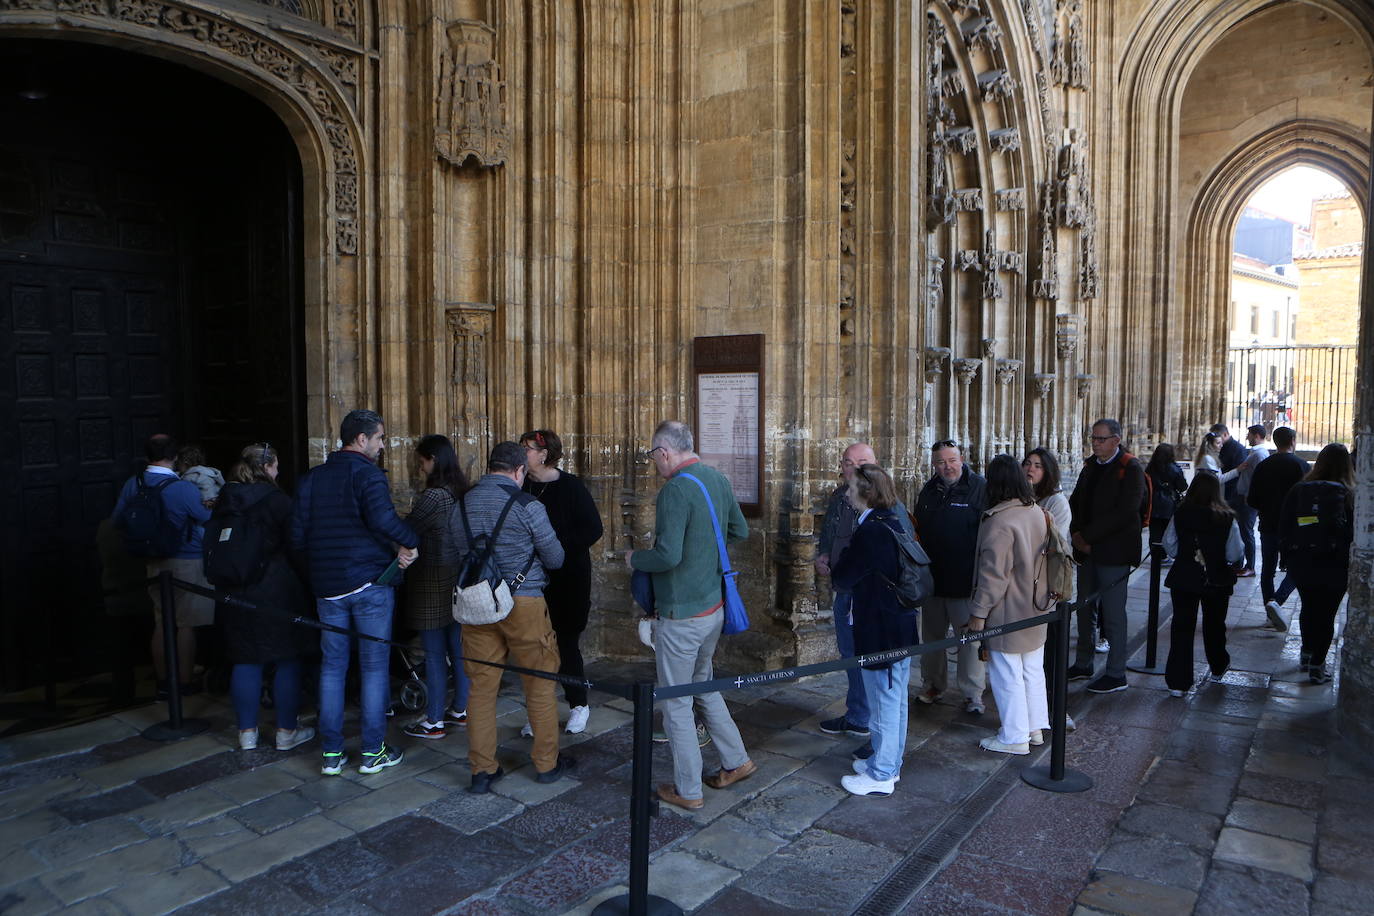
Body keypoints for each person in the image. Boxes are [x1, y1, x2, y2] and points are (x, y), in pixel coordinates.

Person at [627, 421, 755, 811]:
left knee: (676, 703)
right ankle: (736, 761)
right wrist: (704, 552)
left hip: (681, 615)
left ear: (664, 452)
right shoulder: (716, 478)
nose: (654, 464)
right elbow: (740, 530)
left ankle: (688, 790)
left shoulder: (676, 490)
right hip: (712, 608)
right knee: (704, 685)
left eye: (653, 456)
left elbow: (667, 556)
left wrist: (635, 558)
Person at [291, 409, 420, 776]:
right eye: (379, 437)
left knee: (332, 669)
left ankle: (331, 754)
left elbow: (297, 538)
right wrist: (411, 542)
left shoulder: (312, 479)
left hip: (327, 587)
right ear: (361, 439)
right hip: (368, 584)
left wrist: (318, 574)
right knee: (374, 668)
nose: (383, 445)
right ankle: (372, 751)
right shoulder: (367, 474)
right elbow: (382, 520)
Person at [449, 441, 571, 793]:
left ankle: (483, 770)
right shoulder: (527, 504)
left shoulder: (461, 505)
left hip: (477, 606)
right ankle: (546, 764)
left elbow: (451, 556)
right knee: (539, 684)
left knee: (481, 689)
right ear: (519, 471)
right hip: (525, 602)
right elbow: (556, 558)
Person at [213, 443, 315, 751]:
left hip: (233, 590)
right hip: (274, 589)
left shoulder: (225, 499)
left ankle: (247, 734)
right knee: (285, 658)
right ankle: (286, 732)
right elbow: (296, 544)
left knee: (245, 660)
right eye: (276, 466)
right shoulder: (277, 501)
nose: (279, 471)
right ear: (268, 467)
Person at [815, 442, 913, 743]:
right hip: (847, 592)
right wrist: (823, 554)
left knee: (875, 669)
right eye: (847, 462)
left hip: (871, 601)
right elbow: (831, 531)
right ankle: (858, 715)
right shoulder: (839, 496)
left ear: (875, 466)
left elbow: (901, 552)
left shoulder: (888, 508)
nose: (853, 469)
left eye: (861, 462)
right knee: (850, 655)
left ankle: (876, 740)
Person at [831, 464, 916, 796]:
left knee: (884, 704)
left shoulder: (872, 530)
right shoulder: (889, 522)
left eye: (852, 488)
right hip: (896, 626)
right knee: (894, 702)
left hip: (882, 630)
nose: (848, 492)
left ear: (866, 492)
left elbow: (844, 576)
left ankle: (882, 773)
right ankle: (888, 762)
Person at [112, 433, 213, 697]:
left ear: (147, 456)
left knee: (161, 622)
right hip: (186, 560)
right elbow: (205, 517)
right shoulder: (183, 488)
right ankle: (184, 682)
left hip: (152, 562)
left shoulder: (133, 484)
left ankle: (162, 681)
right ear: (176, 457)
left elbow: (118, 521)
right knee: (186, 624)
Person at [519, 429, 604, 736]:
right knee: (535, 646)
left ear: (544, 454)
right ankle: (539, 711)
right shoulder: (522, 484)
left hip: (568, 578)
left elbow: (593, 529)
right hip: (532, 579)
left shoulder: (570, 487)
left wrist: (554, 545)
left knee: (566, 644)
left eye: (527, 448)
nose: (523, 453)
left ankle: (578, 705)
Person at [966, 455, 1051, 755]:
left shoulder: (1000, 521)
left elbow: (993, 575)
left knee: (1007, 673)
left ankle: (1014, 736)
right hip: (1036, 605)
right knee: (1032, 669)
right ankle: (1034, 728)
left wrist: (978, 613)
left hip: (1009, 610)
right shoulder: (1035, 512)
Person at [401, 435, 471, 741]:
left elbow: (407, 530)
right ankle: (460, 709)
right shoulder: (461, 491)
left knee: (433, 653)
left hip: (432, 581)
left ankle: (433, 721)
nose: (420, 468)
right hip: (457, 578)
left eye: (422, 461)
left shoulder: (434, 496)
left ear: (433, 459)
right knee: (458, 650)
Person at [1067, 418, 1146, 694]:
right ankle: (1083, 662)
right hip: (1086, 550)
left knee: (1113, 614)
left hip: (1114, 553)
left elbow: (1126, 512)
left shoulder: (1130, 467)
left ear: (1116, 439)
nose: (1096, 444)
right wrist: (1076, 533)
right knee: (1084, 607)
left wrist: (1088, 539)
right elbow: (1075, 501)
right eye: (1093, 439)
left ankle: (1116, 673)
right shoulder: (1090, 466)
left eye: (1101, 439)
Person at [913, 440, 988, 713]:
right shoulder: (929, 490)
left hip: (965, 581)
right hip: (932, 581)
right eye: (941, 462)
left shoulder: (980, 488)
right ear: (934, 465)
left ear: (962, 458)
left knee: (969, 641)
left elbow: (988, 536)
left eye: (952, 460)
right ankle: (933, 685)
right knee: (932, 639)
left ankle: (972, 694)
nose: (947, 467)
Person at [1162, 472, 1243, 697]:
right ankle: (1218, 666)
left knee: (1182, 627)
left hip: (1185, 576)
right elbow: (1234, 552)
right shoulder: (1227, 517)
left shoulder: (1181, 513)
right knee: (1215, 624)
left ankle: (1178, 682)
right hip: (1216, 578)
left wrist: (1186, 556)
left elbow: (1170, 544)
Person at [1280, 444, 1355, 684]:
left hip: (1303, 561)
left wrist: (1287, 556)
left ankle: (1306, 652)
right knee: (1327, 614)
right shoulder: (1351, 493)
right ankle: (1317, 665)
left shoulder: (1300, 490)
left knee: (1309, 607)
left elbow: (1286, 524)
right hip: (1335, 563)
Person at [1023, 447, 1077, 733]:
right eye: (1028, 464)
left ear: (1048, 471)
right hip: (1026, 589)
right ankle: (1033, 710)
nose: (1031, 469)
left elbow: (1048, 542)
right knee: (1032, 654)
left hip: (1050, 589)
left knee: (1053, 654)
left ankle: (1058, 710)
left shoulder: (1056, 502)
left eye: (1038, 466)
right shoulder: (1023, 499)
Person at [1247, 426, 1309, 631]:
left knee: (1267, 569)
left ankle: (1269, 610)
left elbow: (1252, 499)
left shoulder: (1264, 466)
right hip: (1294, 527)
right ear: (1292, 440)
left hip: (1269, 524)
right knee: (1298, 568)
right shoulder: (1302, 466)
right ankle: (1278, 600)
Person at [1212, 422, 1255, 575]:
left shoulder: (1237, 449)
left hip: (1234, 494)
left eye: (1219, 440)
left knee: (1242, 531)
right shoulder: (1221, 449)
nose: (1218, 444)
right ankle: (1236, 561)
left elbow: (1239, 473)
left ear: (1224, 435)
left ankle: (1245, 563)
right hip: (1227, 494)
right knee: (1232, 529)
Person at [1228, 425, 1271, 577]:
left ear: (1257, 435)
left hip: (1247, 500)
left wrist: (1250, 495)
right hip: (1242, 497)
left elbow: (1260, 479)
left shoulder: (1259, 455)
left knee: (1246, 532)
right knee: (1240, 531)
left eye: (1250, 435)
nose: (1247, 437)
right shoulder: (1255, 453)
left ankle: (1250, 566)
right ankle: (1238, 563)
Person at [1143, 443, 1188, 562]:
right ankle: (1166, 553)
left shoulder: (1150, 468)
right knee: (1168, 531)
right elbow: (1183, 486)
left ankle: (1157, 555)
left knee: (1155, 530)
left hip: (1153, 502)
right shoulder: (1174, 468)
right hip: (1169, 502)